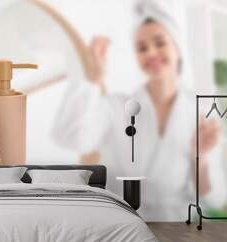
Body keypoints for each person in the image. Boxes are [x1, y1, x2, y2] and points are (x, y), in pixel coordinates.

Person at [52, 0, 226, 221]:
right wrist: (92, 80)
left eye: (160, 43)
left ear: (178, 48)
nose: (151, 52)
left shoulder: (201, 114)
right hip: (122, 229)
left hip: (178, 233)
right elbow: (69, 137)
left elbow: (214, 197)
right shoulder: (115, 107)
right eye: (142, 48)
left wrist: (198, 157)